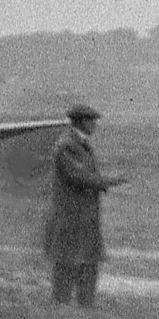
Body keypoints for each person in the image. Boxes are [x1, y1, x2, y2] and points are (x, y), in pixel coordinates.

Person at [43, 103, 125, 306]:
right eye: (91, 121)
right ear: (80, 122)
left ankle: (85, 304)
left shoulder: (81, 144)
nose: (95, 125)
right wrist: (107, 181)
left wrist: (103, 181)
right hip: (70, 215)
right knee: (66, 262)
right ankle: (61, 304)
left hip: (83, 215)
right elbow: (78, 176)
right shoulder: (66, 146)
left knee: (88, 261)